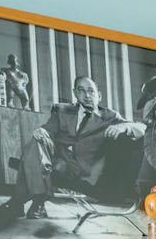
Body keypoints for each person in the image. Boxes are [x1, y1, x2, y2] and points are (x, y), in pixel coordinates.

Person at [11, 75, 148, 219]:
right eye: (81, 90)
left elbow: (142, 127)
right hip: (57, 158)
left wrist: (124, 127)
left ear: (99, 96)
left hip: (82, 166)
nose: (87, 95)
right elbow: (49, 130)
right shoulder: (61, 110)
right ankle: (37, 202)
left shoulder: (110, 116)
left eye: (91, 91)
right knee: (37, 141)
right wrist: (42, 131)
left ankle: (20, 203)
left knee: (32, 159)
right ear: (75, 93)